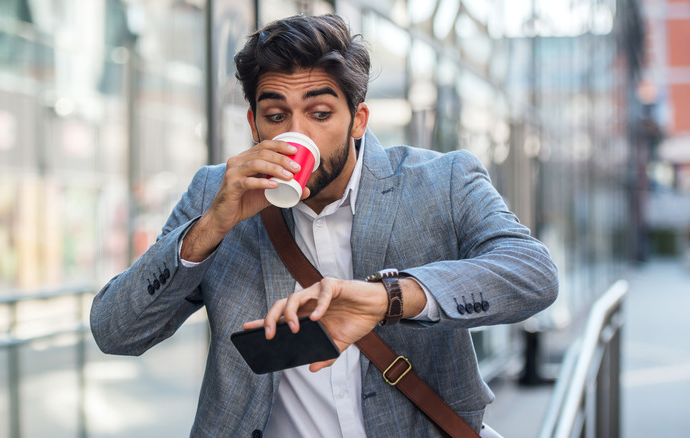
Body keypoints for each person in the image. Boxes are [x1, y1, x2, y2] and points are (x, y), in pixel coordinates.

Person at [90, 14, 558, 438]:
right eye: (276, 116)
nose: (298, 132)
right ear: (254, 125)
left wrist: (389, 297)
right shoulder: (216, 193)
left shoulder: (440, 180)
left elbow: (532, 273)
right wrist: (211, 227)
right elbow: (116, 332)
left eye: (319, 113)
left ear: (358, 119)